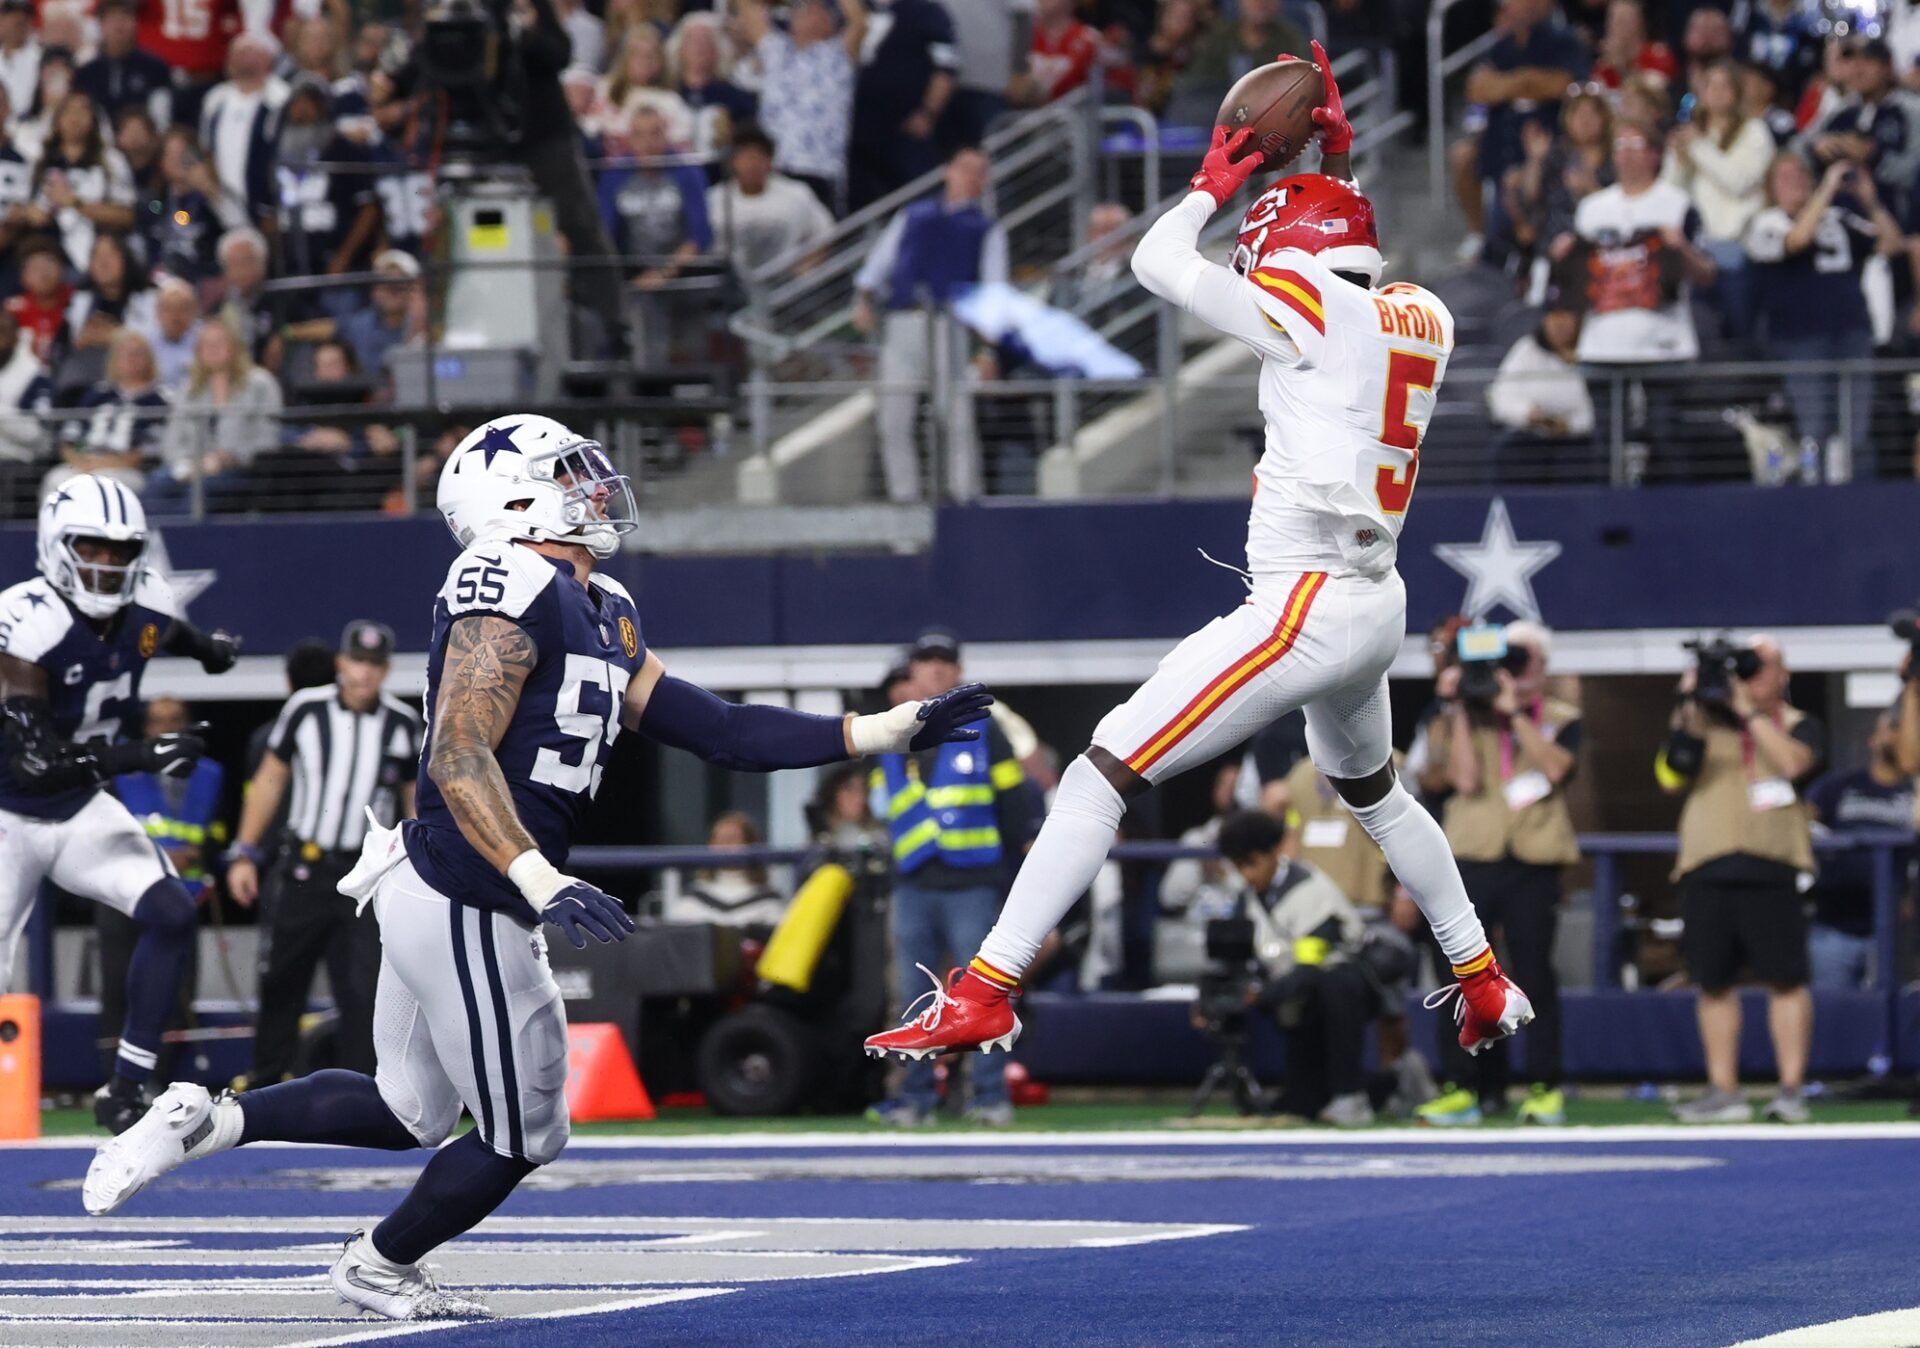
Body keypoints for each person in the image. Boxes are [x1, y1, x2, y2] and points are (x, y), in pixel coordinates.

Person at [86, 412, 993, 1318]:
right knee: (527, 1132)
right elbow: (456, 753)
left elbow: (720, 731)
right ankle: (378, 1262)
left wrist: (888, 729)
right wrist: (536, 877)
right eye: (571, 472)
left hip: (453, 882)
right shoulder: (507, 576)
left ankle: (208, 1117)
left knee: (411, 1112)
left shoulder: (604, 605)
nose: (595, 488)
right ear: (512, 497)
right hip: (469, 888)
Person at [866, 52, 1534, 1077]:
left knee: (1101, 767)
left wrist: (1216, 185)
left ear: (1291, 251)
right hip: (1376, 600)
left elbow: (1156, 263)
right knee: (1378, 795)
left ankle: (987, 989)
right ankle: (1482, 973)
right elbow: (1354, 256)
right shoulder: (1421, 316)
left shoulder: (1308, 309)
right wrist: (1329, 165)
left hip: (1306, 599)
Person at [0, 475, 238, 1132]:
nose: (105, 564)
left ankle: (128, 1086)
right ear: (56, 545)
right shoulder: (26, 620)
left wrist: (211, 653)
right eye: (91, 548)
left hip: (78, 807)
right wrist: (147, 754)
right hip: (8, 811)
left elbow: (169, 632)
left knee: (170, 911)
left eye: (118, 550)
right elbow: (38, 762)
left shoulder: (148, 602)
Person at [225, 620, 421, 1086]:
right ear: (340, 663)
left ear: (387, 670)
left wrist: (415, 869)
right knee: (280, 980)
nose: (364, 673)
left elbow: (414, 804)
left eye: (374, 664)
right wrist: (244, 851)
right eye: (357, 661)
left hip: (366, 876)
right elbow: (270, 782)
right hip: (304, 870)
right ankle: (267, 1084)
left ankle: (364, 1090)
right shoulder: (305, 710)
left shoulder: (403, 724)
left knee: (363, 988)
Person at [868, 633, 1036, 1126]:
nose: (937, 670)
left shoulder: (985, 726)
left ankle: (987, 1098)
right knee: (909, 995)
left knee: (983, 993)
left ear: (958, 672)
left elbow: (1015, 803)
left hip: (973, 882)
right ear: (913, 672)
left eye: (946, 662)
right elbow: (888, 807)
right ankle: (914, 1100)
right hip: (914, 882)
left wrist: (1007, 872)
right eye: (927, 662)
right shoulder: (892, 730)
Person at [1413, 622, 1578, 1128]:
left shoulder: (1561, 717)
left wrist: (1514, 714)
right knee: (1464, 976)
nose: (1512, 671)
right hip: (1472, 859)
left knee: (1534, 973)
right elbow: (1463, 779)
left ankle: (1544, 1087)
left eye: (1522, 660)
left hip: (1533, 859)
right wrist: (1462, 706)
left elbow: (1554, 770)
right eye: (1504, 663)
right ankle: (1467, 1087)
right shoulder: (1454, 718)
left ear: (1541, 668)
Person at [1658, 635, 1824, 1124]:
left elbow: (1795, 765)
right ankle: (1723, 1090)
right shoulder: (1703, 722)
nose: (1750, 676)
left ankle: (1791, 1089)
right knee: (1712, 982)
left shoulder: (1799, 725)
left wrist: (1747, 710)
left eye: (1759, 666)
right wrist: (1690, 702)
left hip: (1772, 865)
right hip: (1706, 865)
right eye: (1742, 669)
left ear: (1782, 674)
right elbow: (1671, 775)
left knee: (1787, 980)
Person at [851, 145, 1006, 502]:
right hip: (904, 322)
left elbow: (994, 291)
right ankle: (904, 501)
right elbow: (878, 266)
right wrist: (863, 300)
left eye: (979, 171)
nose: (972, 177)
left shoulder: (986, 229)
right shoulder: (913, 215)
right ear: (947, 171)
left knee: (955, 415)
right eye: (966, 168)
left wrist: (987, 348)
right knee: (894, 418)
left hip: (948, 326)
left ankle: (964, 494)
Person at [1564, 121, 1717, 483]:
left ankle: (1672, 521)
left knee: (1667, 439)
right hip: (1602, 343)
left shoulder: (1678, 205)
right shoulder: (1591, 209)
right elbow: (1576, 277)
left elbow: (1708, 273)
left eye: (1636, 144)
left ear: (1654, 154)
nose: (1627, 154)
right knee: (1605, 445)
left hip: (1663, 342)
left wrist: (1681, 248)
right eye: (1621, 146)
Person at [1216, 809, 1381, 1125]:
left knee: (1335, 982)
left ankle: (1351, 1095)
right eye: (1239, 867)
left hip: (1341, 994)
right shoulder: (1245, 900)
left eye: (1251, 863)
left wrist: (1259, 996)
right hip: (1295, 1000)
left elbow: (1310, 966)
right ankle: (1387, 1085)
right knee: (1302, 1106)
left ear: (1272, 854)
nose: (1247, 875)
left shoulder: (1310, 888)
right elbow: (1236, 960)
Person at [1745, 153, 1901, 481]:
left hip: (1852, 331)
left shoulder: (1839, 217)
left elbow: (1890, 242)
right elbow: (1797, 240)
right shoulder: (1765, 223)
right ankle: (1814, 501)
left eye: (1801, 173)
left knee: (1856, 429)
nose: (1797, 181)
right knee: (1814, 427)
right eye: (1786, 177)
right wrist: (1826, 191)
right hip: (1800, 337)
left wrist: (1871, 202)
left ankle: (1860, 500)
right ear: (1771, 188)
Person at [97, 697, 224, 1082]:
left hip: (179, 898)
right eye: (158, 721)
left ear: (186, 725)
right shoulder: (123, 771)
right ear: (146, 728)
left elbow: (220, 832)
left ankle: (161, 1085)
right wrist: (163, 853)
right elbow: (102, 833)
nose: (166, 729)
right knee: (119, 988)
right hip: (122, 899)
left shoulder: (211, 774)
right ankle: (113, 1085)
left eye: (174, 721)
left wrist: (202, 853)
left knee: (172, 993)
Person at [1663, 59, 1773, 339]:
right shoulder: (1695, 136)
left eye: (1725, 85)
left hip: (1743, 249)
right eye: (1711, 85)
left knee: (1743, 335)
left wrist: (1698, 148)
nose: (1717, 92)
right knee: (1705, 335)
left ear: (1737, 91)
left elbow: (1738, 182)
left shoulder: (1755, 132)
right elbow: (1672, 192)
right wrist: (1678, 160)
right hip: (1701, 252)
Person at [1803, 713, 1914, 990]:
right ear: (1872, 740)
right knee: (1831, 1014)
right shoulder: (1840, 785)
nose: (1894, 736)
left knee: (1892, 1017)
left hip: (1892, 928)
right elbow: (1801, 822)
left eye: (1902, 730)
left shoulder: (1914, 792)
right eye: (1889, 729)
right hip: (1834, 923)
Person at [735, 0, 865, 214]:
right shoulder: (776, 48)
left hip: (820, 169)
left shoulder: (839, 53)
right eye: (803, 8)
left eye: (819, 9)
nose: (809, 12)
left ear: (830, 22)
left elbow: (859, 22)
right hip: (774, 168)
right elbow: (748, 7)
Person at [148, 313, 282, 514]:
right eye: (206, 344)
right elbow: (171, 441)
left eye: (219, 342)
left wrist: (229, 458)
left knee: (199, 495)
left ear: (235, 347)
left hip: (239, 470)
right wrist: (189, 464)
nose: (212, 349)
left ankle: (181, 543)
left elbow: (268, 439)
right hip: (190, 468)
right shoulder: (190, 389)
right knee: (155, 487)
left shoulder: (260, 383)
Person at [847, 0, 960, 210]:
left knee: (918, 199)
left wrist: (928, 112)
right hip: (857, 132)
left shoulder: (927, 12)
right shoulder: (854, 8)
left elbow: (947, 67)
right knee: (858, 204)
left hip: (905, 129)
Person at [21, 90, 136, 274]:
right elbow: (23, 207)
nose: (75, 117)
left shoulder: (111, 161)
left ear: (94, 119)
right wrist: (31, 214)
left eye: (83, 111)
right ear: (57, 120)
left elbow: (126, 216)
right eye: (68, 111)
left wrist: (75, 203)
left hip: (100, 256)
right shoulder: (40, 161)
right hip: (52, 260)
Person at [47, 327, 169, 496]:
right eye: (124, 354)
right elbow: (70, 436)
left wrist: (105, 463)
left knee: (106, 485)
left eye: (137, 354)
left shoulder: (160, 399)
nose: (130, 359)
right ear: (114, 359)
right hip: (85, 462)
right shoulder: (97, 394)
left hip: (125, 469)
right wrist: (79, 460)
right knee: (56, 479)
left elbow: (150, 449)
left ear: (149, 359)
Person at [1486, 299, 1596, 480]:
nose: (1559, 325)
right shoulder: (1527, 350)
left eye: (1565, 317)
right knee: (1508, 451)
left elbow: (1596, 411)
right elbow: (1500, 397)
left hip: (1576, 441)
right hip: (1530, 436)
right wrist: (1528, 414)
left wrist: (1570, 425)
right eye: (1553, 317)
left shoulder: (1591, 354)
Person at [706, 124, 834, 274]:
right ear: (732, 162)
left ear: (770, 161)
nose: (752, 164)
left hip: (784, 285)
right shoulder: (714, 198)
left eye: (759, 157)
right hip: (731, 285)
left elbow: (827, 233)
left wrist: (805, 270)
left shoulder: (797, 193)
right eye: (746, 157)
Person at [198, 32, 288, 227]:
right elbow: (206, 148)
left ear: (268, 59)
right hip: (223, 204)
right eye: (237, 53)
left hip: (270, 203)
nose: (243, 59)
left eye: (250, 52)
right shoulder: (216, 99)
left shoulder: (281, 98)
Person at [663, 811, 787, 927]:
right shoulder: (693, 898)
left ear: (750, 845)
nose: (725, 846)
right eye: (719, 840)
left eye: (733, 839)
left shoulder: (768, 900)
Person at [76, 0, 171, 131]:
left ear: (135, 22)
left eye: (125, 17)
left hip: (142, 142)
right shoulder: (86, 72)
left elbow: (162, 115)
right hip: (97, 142)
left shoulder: (155, 68)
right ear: (101, 24)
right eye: (112, 18)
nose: (119, 25)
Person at [337, 249, 420, 384]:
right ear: (374, 291)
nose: (391, 290)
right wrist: (291, 332)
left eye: (399, 285)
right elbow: (331, 328)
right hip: (370, 399)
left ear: (413, 290)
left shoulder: (423, 328)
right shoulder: (361, 324)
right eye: (384, 283)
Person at [0, 309, 50, 512]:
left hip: (18, 459)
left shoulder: (34, 375)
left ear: (16, 336)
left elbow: (37, 435)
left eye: (2, 332)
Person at [1010, 0, 1101, 108]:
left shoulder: (1089, 38)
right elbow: (1014, 90)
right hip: (1023, 116)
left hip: (1071, 118)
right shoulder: (1019, 34)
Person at [134, 278, 202, 395]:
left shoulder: (207, 339)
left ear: (194, 311)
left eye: (183, 308)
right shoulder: (144, 343)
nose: (175, 316)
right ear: (157, 312)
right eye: (168, 309)